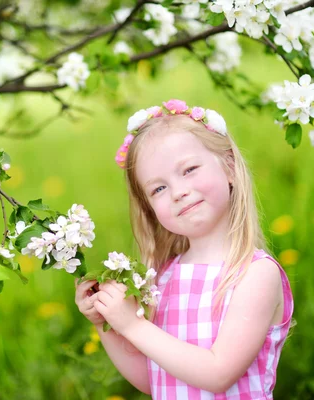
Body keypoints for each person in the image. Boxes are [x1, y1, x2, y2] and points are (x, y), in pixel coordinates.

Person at [75, 99, 294, 399]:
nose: (179, 192)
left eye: (189, 169)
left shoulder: (255, 274)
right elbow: (154, 380)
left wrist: (132, 325)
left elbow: (218, 374)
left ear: (229, 167)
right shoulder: (163, 277)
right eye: (159, 188)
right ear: (149, 208)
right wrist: (106, 322)